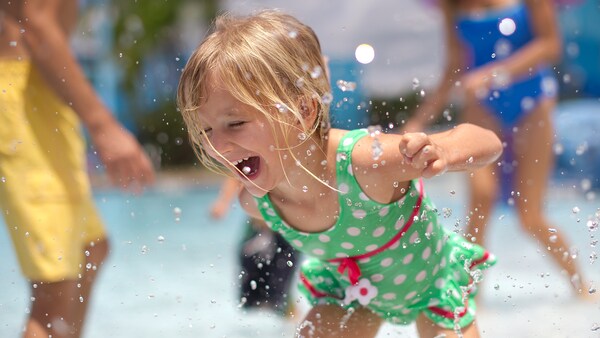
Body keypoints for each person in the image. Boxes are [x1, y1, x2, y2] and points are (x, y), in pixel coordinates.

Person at [177, 10, 503, 337]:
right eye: (205, 131)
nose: (216, 145)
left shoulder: (366, 163)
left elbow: (487, 142)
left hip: (431, 286)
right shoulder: (258, 203)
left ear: (303, 111)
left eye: (235, 123)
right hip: (351, 297)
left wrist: (444, 151)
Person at [403, 0, 590, 297]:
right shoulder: (453, 5)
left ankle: (581, 287)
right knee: (480, 200)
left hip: (533, 101)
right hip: (483, 106)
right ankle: (467, 299)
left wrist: (493, 74)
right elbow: (454, 65)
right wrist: (419, 120)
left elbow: (550, 45)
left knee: (530, 215)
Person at [0, 1, 155, 338]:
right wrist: (103, 125)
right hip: (20, 90)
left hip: (37, 89)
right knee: (54, 289)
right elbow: (37, 26)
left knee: (91, 249)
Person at [210, 177, 300, 318]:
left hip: (286, 231)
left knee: (281, 293)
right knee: (249, 299)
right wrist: (223, 202)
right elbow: (237, 174)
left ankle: (293, 327)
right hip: (257, 228)